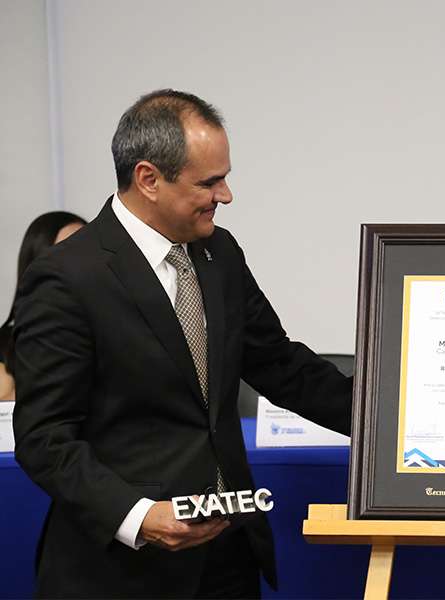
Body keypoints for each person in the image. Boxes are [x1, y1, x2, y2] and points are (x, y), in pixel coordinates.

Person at [13, 90, 353, 598]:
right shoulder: (67, 277)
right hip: (121, 572)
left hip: (228, 557)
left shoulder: (219, 252)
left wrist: (396, 423)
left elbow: (282, 366)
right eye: (209, 182)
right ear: (148, 179)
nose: (226, 196)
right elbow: (43, 437)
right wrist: (138, 516)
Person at [0, 211, 86, 400]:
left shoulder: (114, 329)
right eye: (67, 254)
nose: (80, 264)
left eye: (87, 252)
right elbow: (4, 407)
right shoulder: (7, 342)